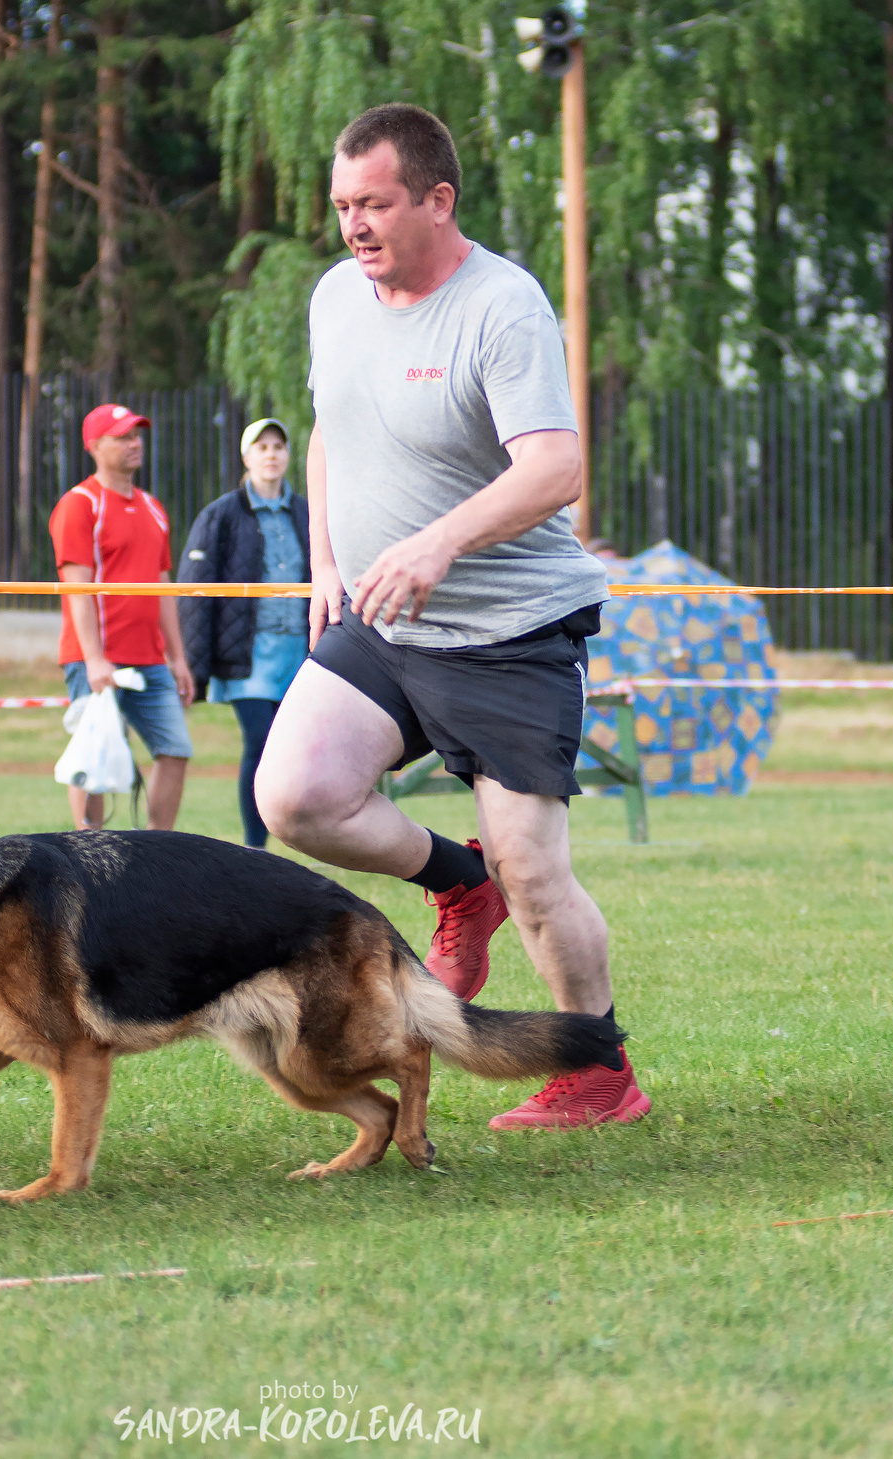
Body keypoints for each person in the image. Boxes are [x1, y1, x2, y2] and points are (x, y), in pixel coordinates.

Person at [252, 103, 650, 1129]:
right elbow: (331, 428)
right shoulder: (336, 297)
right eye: (342, 204)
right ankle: (457, 883)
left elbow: (555, 468)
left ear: (437, 200)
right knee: (295, 797)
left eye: (375, 203)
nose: (354, 225)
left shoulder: (501, 307)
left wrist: (437, 544)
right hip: (384, 623)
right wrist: (327, 561)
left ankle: (598, 1072)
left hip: (508, 633)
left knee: (536, 872)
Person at [51, 403, 196, 830]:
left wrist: (178, 657)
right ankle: (88, 850)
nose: (135, 443)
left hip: (150, 659)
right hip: (97, 658)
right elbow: (76, 589)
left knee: (176, 749)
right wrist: (94, 659)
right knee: (92, 754)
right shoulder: (80, 504)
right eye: (123, 437)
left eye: (137, 435)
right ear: (94, 446)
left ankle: (158, 850)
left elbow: (163, 587)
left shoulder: (153, 507)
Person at [177, 417, 311, 849]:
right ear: (246, 456)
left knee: (293, 752)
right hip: (247, 658)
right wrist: (196, 667)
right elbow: (195, 593)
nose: (271, 454)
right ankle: (256, 848)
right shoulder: (221, 514)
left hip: (302, 656)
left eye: (279, 446)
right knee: (260, 741)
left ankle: (296, 840)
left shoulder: (307, 511)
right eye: (262, 447)